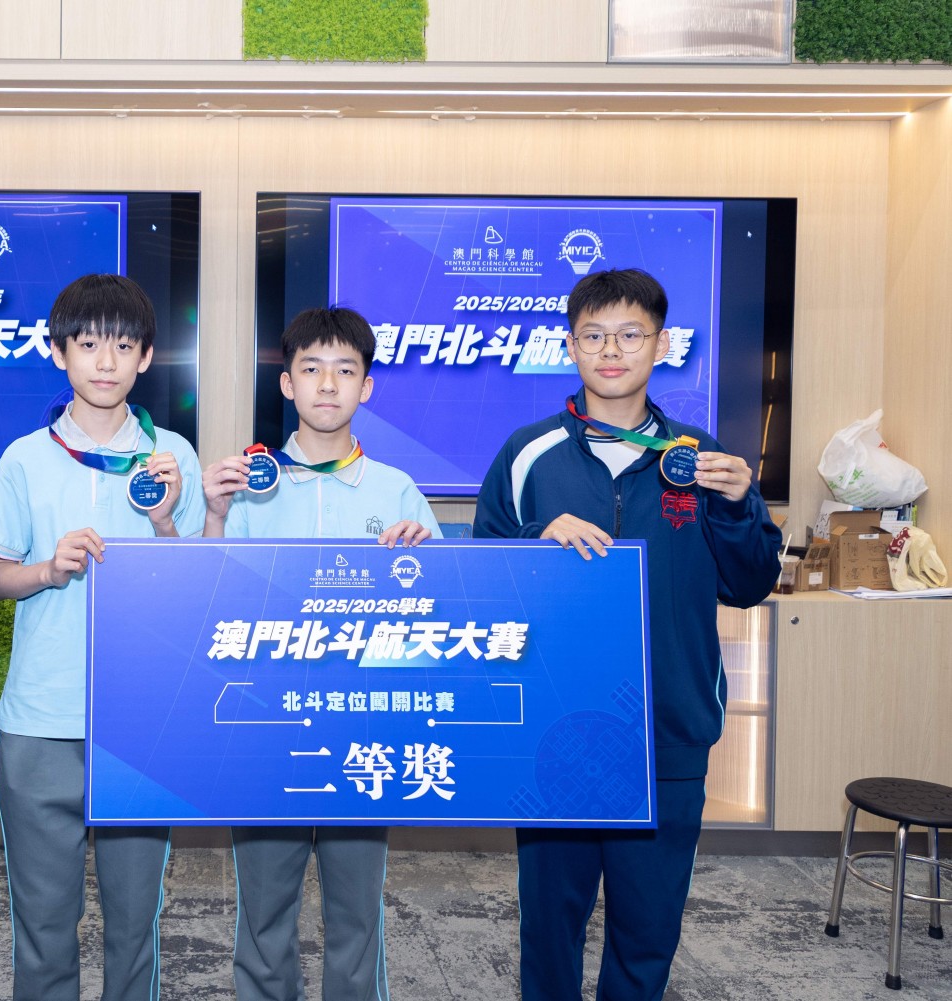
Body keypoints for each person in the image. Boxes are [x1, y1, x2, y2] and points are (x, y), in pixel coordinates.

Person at [473, 268, 781, 1001]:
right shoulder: (526, 453)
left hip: (666, 732)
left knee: (648, 932)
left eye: (631, 334)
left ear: (662, 345)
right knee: (550, 929)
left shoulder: (702, 458)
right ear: (569, 346)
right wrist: (534, 537)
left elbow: (749, 583)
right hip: (556, 731)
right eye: (594, 336)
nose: (612, 350)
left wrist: (739, 505)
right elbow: (480, 583)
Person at [202, 306, 440, 1001]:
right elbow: (208, 602)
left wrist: (426, 558)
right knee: (263, 911)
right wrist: (214, 516)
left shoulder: (397, 490)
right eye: (311, 368)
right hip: (267, 723)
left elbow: (441, 612)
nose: (328, 384)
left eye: (345, 370)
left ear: (367, 386)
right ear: (287, 384)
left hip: (362, 724)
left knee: (357, 914)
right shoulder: (249, 485)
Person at [0, 273, 204, 1001]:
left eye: (123, 345)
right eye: (87, 344)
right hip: (41, 721)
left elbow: (199, 591)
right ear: (58, 353)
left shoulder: (174, 457)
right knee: (43, 924)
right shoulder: (24, 457)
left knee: (135, 925)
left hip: (141, 721)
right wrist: (48, 569)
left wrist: (165, 521)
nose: (105, 361)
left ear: (146, 357)